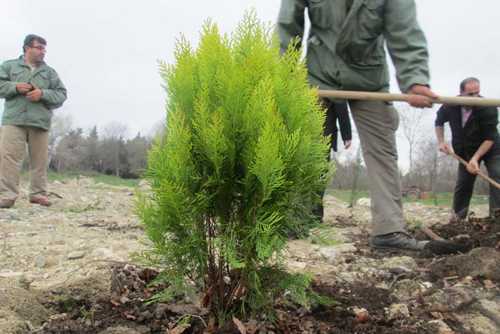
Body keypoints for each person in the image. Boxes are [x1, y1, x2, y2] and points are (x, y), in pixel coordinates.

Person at [278, 0, 438, 251]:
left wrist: (415, 79)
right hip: (319, 75)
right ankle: (300, 217)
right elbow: (288, 26)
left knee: (382, 150)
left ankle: (389, 231)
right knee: (309, 148)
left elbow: (404, 30)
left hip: (369, 78)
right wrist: (281, 74)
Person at [0, 34, 67, 208]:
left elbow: (61, 95)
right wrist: (14, 87)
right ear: (27, 48)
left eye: (44, 48)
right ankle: (7, 195)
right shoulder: (9, 66)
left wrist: (42, 94)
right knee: (9, 159)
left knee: (40, 160)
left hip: (40, 122)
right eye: (39, 48)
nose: (43, 52)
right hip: (13, 120)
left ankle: (38, 194)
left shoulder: (50, 73)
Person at [435, 77, 500, 221]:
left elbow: (490, 138)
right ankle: (457, 219)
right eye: (470, 94)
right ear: (461, 93)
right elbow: (439, 121)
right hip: (465, 151)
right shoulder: (450, 105)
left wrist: (476, 159)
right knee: (464, 183)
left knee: (497, 174)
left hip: (491, 149)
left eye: (477, 93)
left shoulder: (488, 107)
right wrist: (441, 141)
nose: (474, 97)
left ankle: (496, 219)